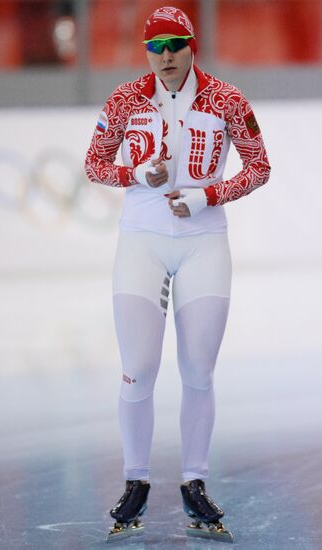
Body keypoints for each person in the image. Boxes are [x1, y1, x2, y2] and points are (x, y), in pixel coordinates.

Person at [85, 5, 271, 542]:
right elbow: (95, 163)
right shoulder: (125, 99)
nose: (165, 57)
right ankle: (136, 481)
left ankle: (194, 481)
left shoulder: (227, 99)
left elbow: (259, 165)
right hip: (141, 241)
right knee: (138, 366)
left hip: (203, 243)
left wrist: (208, 194)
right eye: (155, 47)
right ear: (145, 52)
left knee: (198, 368)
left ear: (193, 46)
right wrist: (137, 174)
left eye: (175, 45)